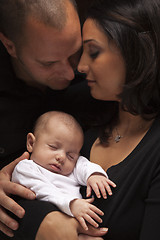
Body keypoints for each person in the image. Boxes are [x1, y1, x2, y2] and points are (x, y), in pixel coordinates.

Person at [21, 0, 160, 239]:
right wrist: (43, 224)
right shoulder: (75, 105)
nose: (81, 66)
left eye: (93, 52)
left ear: (136, 54)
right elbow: (19, 185)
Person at [0, 0, 108, 239]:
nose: (72, 72)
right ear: (10, 45)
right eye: (49, 63)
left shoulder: (94, 77)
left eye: (74, 52)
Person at [12, 111, 116, 232]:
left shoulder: (70, 169)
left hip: (76, 225)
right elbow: (42, 191)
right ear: (31, 143)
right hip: (43, 226)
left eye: (70, 155)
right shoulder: (26, 168)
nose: (61, 157)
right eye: (53, 147)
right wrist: (71, 204)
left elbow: (84, 165)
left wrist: (94, 175)